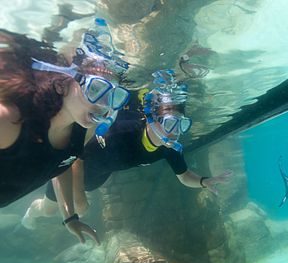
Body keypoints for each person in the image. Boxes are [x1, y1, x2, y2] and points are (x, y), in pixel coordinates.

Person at [22, 69, 232, 228]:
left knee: (80, 204)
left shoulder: (170, 147)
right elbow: (74, 156)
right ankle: (32, 212)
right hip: (73, 169)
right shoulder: (120, 130)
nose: (174, 132)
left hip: (99, 176)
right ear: (151, 118)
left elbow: (184, 176)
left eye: (181, 125)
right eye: (169, 124)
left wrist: (204, 181)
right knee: (49, 210)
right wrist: (79, 198)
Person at [1, 27, 129, 244]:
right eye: (96, 89)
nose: (104, 105)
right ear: (62, 82)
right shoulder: (11, 121)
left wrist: (69, 216)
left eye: (113, 96)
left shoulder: (83, 129)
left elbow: (60, 163)